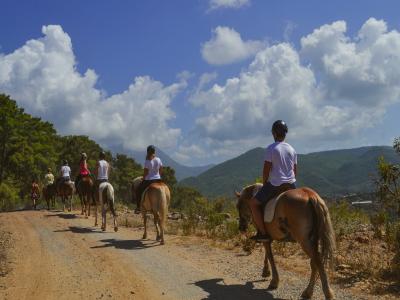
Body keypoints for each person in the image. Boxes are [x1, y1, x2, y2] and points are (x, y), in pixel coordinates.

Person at [248, 120, 297, 242]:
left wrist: (265, 184)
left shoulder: (271, 148)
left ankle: (263, 234)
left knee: (253, 204)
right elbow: (294, 171)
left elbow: (266, 170)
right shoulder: (292, 149)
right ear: (285, 134)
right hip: (291, 184)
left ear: (274, 134)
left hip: (275, 184)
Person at [134, 145, 163, 214]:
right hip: (158, 179)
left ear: (148, 152)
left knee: (138, 190)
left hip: (149, 180)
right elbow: (161, 169)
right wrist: (159, 176)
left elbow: (146, 172)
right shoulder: (158, 159)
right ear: (154, 151)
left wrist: (143, 178)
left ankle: (138, 207)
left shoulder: (147, 161)